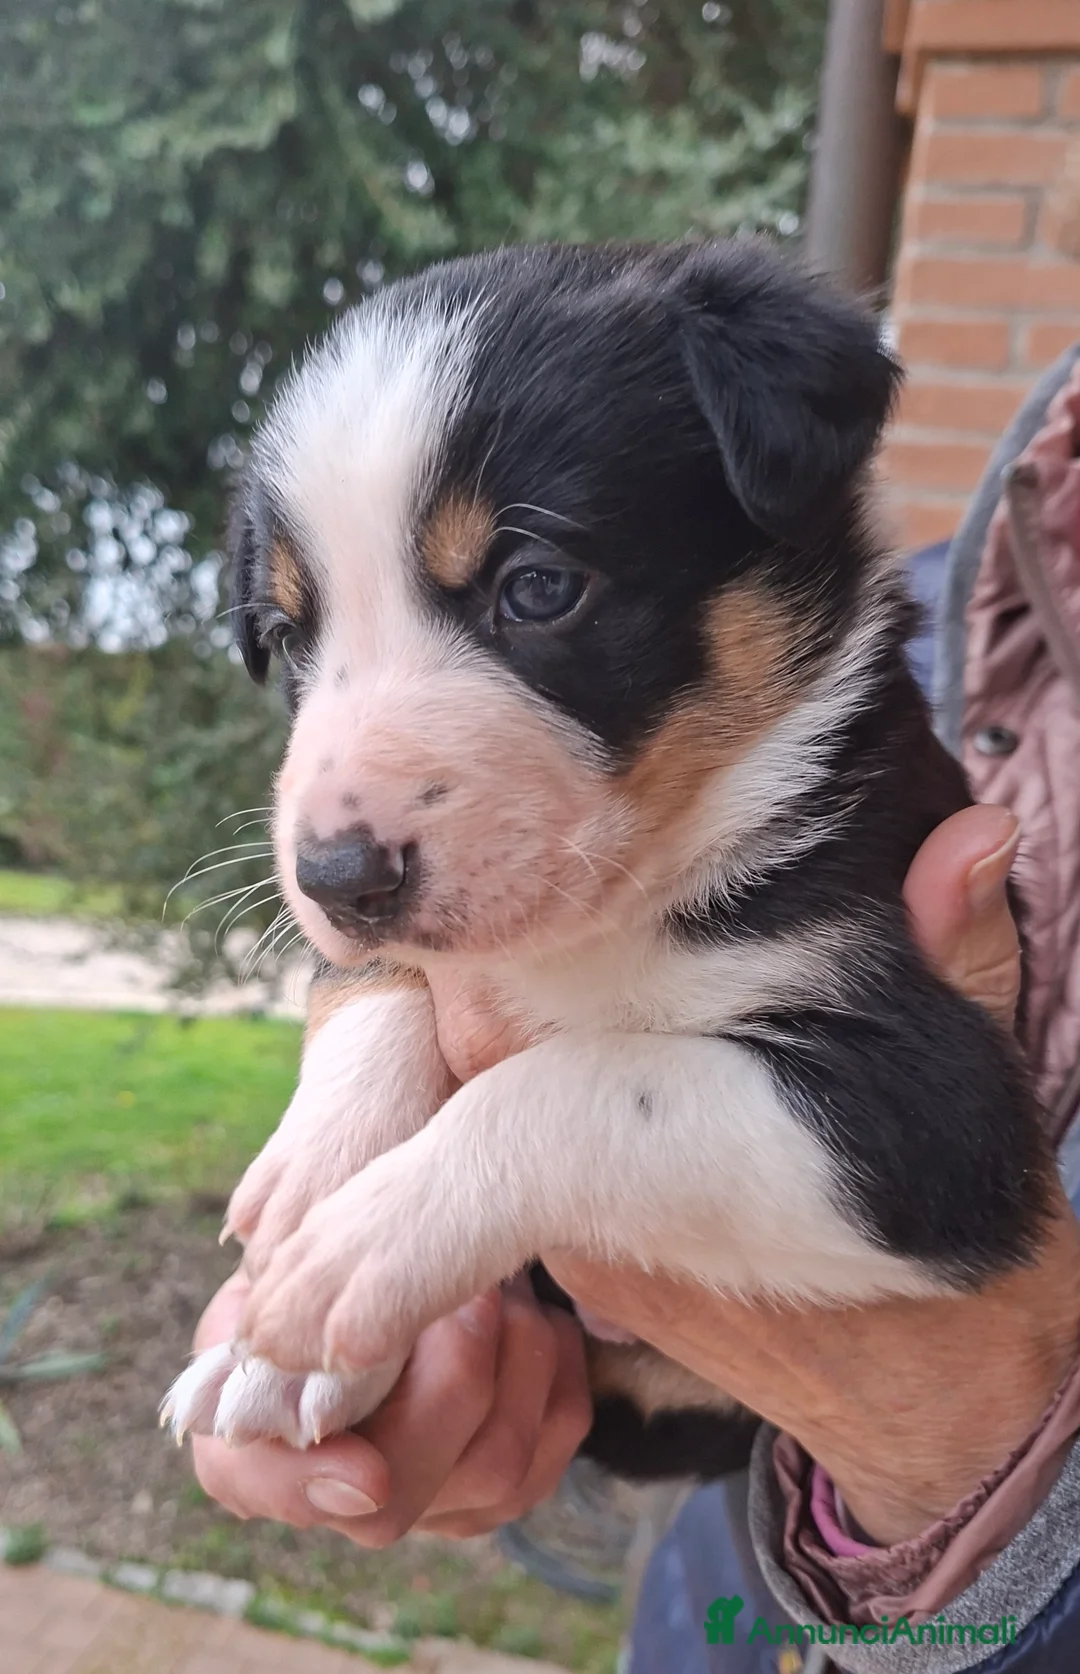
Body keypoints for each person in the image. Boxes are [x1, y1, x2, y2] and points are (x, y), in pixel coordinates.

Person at [192, 345, 1080, 1672]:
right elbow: (432, 988)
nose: (341, 822)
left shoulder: (846, 804)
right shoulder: (983, 597)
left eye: (533, 588)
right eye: (301, 636)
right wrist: (369, 1055)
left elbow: (931, 1167)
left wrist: (494, 1169)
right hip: (717, 1595)